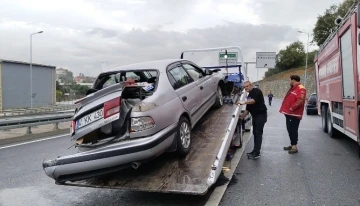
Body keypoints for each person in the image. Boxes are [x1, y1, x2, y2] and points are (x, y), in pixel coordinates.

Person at [237, 81, 267, 159]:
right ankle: (255, 151)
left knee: (258, 133)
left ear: (251, 85)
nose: (245, 88)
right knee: (255, 133)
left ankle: (257, 153)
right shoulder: (249, 95)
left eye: (247, 86)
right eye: (244, 87)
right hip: (255, 116)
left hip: (261, 115)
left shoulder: (257, 91)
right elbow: (248, 109)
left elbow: (254, 101)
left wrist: (243, 102)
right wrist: (242, 117)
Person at [279, 75, 307, 154]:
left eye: (290, 80)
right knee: (289, 129)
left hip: (294, 114)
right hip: (289, 113)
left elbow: (301, 100)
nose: (289, 82)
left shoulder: (301, 88)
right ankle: (292, 144)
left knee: (293, 130)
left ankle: (294, 147)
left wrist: (292, 108)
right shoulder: (293, 88)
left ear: (293, 80)